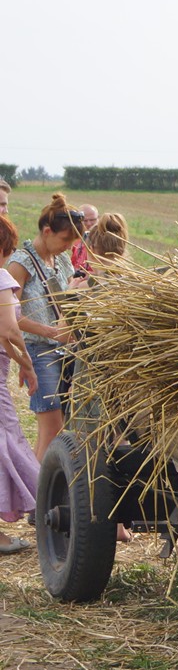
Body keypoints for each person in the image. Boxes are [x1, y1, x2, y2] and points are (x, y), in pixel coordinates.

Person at [4, 193, 85, 460]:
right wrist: (49, 331)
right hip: (40, 352)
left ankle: (42, 491)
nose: (68, 246)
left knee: (62, 430)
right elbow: (8, 314)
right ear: (47, 231)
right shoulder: (21, 262)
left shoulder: (60, 259)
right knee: (52, 431)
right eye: (65, 240)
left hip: (64, 351)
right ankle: (41, 495)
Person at [0, 214, 41, 554]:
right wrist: (27, 365)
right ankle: (43, 500)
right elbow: (10, 331)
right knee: (7, 442)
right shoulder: (0, 278)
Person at [69, 203, 99, 273]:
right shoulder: (76, 241)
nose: (89, 224)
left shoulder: (104, 242)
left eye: (92, 220)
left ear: (98, 219)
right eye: (85, 221)